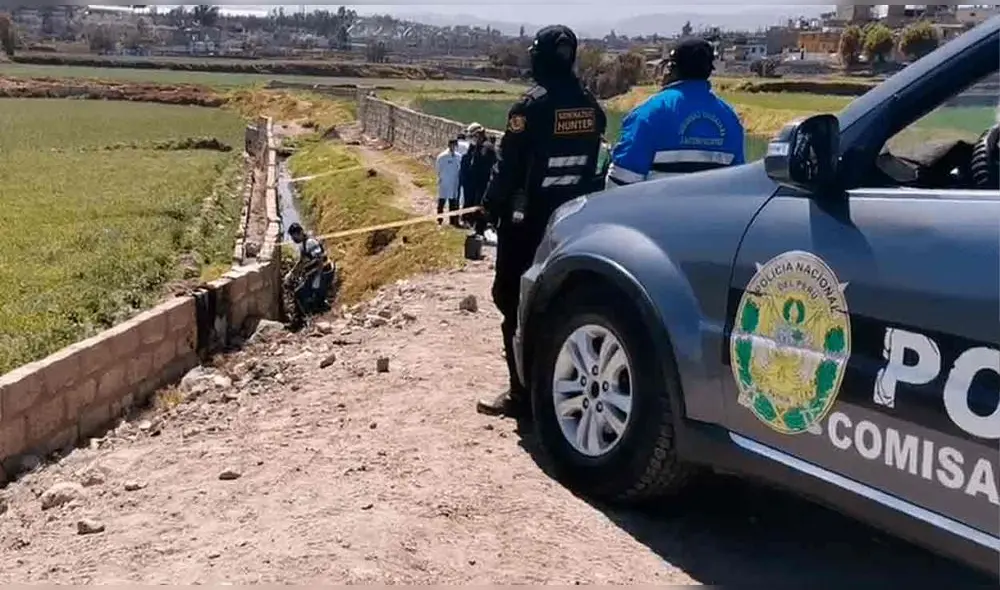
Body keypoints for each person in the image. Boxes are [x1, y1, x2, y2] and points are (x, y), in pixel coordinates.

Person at [475, 24, 606, 418]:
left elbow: (507, 167)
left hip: (528, 224)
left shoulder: (529, 109)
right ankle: (558, 387)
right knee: (562, 304)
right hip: (577, 221)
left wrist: (487, 207)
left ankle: (521, 394)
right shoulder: (590, 106)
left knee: (511, 301)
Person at [607, 37, 745, 187]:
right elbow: (737, 184)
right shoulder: (731, 119)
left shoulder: (648, 115)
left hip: (658, 210)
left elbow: (619, 185)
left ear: (671, 68)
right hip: (714, 210)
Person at [285, 223, 334, 325]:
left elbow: (320, 259)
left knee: (301, 293)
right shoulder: (304, 243)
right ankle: (315, 313)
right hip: (315, 273)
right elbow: (302, 261)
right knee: (304, 293)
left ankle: (309, 318)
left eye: (294, 237)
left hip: (323, 273)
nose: (294, 240)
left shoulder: (310, 242)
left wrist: (318, 277)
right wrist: (291, 273)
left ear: (300, 232)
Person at [459, 122, 497, 227]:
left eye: (472, 136)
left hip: (482, 183)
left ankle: (479, 226)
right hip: (472, 182)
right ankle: (468, 220)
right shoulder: (475, 146)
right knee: (469, 201)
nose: (471, 139)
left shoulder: (487, 148)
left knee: (479, 204)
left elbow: (487, 166)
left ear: (478, 135)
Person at [435, 138, 463, 227]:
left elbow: (459, 169)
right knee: (441, 202)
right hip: (444, 181)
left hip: (454, 182)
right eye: (452, 145)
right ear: (449, 145)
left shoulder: (459, 157)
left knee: (453, 202)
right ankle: (439, 220)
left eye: (455, 145)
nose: (453, 147)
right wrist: (441, 177)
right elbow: (438, 168)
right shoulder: (442, 156)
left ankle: (452, 221)